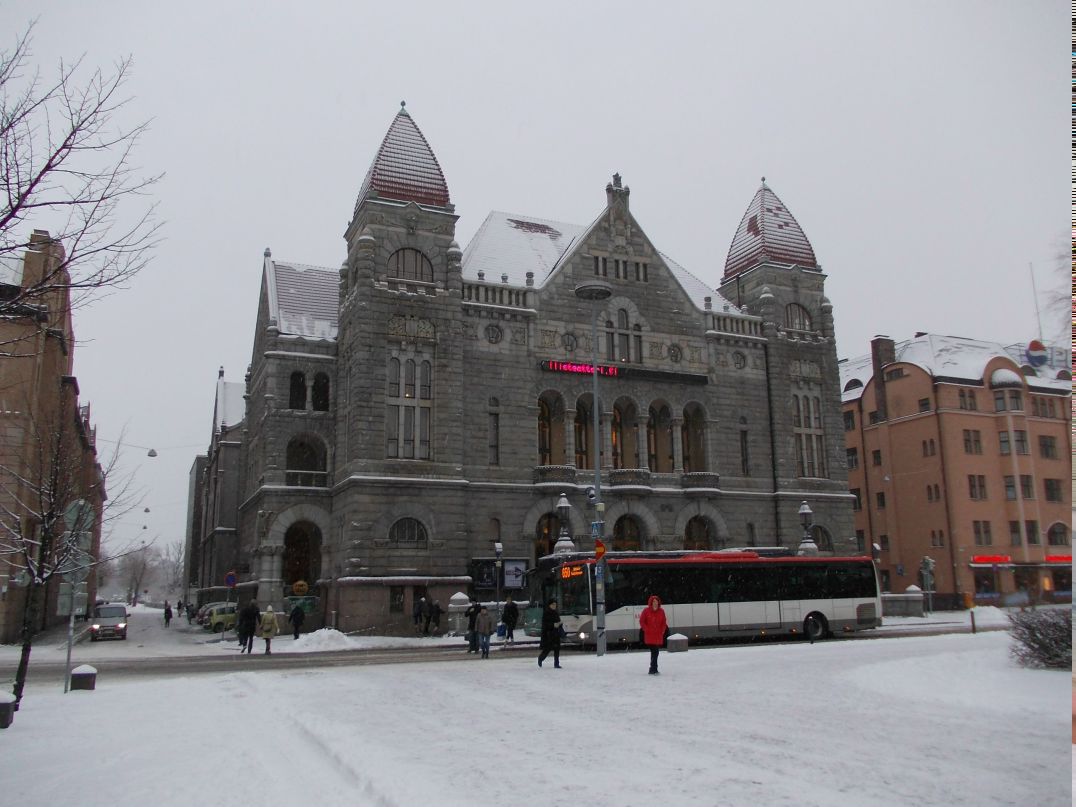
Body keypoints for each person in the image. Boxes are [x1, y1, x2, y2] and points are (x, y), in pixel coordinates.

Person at [639, 594, 668, 675]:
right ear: (651, 603)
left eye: (656, 601)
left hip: (658, 635)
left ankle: (653, 669)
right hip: (650, 636)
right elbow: (642, 621)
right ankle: (653, 669)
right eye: (654, 602)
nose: (655, 603)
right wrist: (646, 629)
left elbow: (664, 622)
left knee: (655, 652)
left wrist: (662, 631)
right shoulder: (646, 611)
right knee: (655, 652)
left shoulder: (661, 611)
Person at [537, 599, 562, 668]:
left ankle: (556, 664)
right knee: (548, 648)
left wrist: (560, 624)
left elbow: (558, 621)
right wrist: (553, 625)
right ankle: (541, 658)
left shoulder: (556, 613)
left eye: (555, 605)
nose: (554, 606)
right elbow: (545, 624)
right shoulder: (546, 613)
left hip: (556, 633)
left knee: (557, 649)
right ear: (550, 605)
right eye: (553, 604)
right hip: (549, 634)